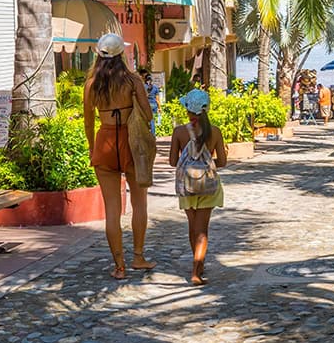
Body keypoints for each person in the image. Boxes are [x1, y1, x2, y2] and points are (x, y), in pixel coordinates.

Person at [83, 33, 156, 280]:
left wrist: (93, 149)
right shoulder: (132, 80)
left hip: (104, 142)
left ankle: (119, 266)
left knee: (112, 210)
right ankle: (138, 256)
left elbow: (88, 122)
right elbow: (148, 115)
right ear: (121, 54)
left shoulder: (92, 84)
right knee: (139, 203)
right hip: (131, 143)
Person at [169, 89, 227, 285]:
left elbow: (172, 161)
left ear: (188, 110)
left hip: (187, 186)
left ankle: (197, 264)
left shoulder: (179, 132)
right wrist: (206, 164)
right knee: (203, 229)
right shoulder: (215, 132)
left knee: (193, 227)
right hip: (208, 186)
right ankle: (197, 270)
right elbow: (223, 162)